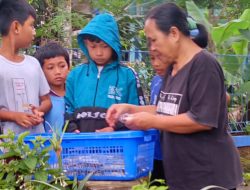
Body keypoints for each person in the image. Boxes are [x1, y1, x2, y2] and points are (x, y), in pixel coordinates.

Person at [105, 3, 243, 190]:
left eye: (154, 40)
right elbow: (165, 108)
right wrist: (129, 108)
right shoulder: (172, 68)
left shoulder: (204, 65)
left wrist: (152, 121)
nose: (152, 48)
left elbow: (200, 120)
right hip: (183, 177)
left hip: (209, 178)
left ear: (174, 33)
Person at [65, 13, 145, 132]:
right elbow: (67, 109)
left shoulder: (128, 75)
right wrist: (71, 129)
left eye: (104, 46)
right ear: (86, 44)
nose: (99, 53)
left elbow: (139, 113)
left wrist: (115, 129)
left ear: (114, 46)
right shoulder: (75, 75)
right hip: (80, 145)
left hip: (117, 145)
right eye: (93, 47)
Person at [0, 0, 51, 135]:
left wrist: (39, 110)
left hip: (37, 142)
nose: (34, 32)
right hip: (8, 147)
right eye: (31, 25)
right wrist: (14, 116)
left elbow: (47, 101)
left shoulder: (33, 63)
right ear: (16, 27)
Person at [35, 42, 69, 133]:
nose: (58, 72)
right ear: (41, 72)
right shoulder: (41, 100)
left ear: (69, 67)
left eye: (62, 66)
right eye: (50, 68)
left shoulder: (75, 94)